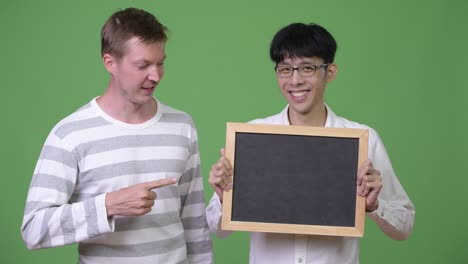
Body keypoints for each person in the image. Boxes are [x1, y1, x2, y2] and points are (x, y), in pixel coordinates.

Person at [206, 23, 415, 264]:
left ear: (331, 72)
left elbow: (404, 227)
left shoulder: (361, 139)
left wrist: (374, 205)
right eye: (285, 69)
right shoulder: (252, 138)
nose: (295, 80)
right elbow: (217, 229)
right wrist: (225, 197)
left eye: (307, 68)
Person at [21, 8, 212, 264]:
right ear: (110, 62)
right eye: (142, 65)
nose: (156, 75)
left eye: (160, 62)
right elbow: (34, 230)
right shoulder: (69, 134)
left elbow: (194, 220)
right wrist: (108, 206)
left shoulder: (182, 126)